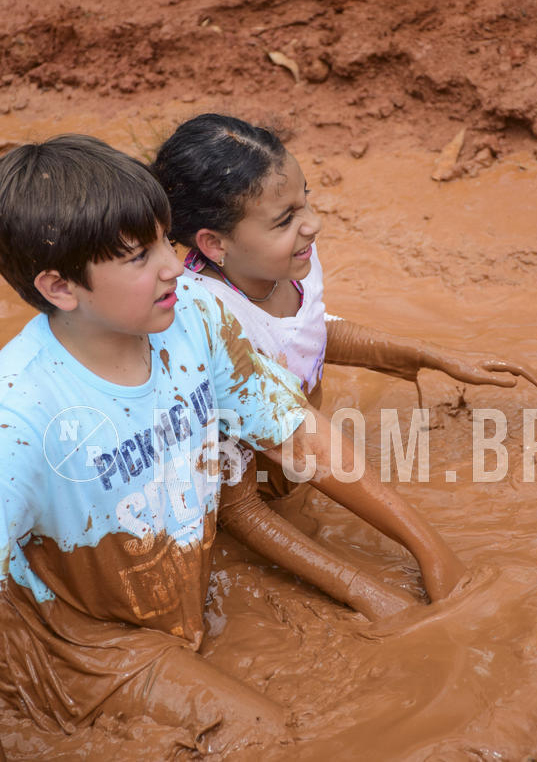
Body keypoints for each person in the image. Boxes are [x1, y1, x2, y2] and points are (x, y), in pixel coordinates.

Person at [0, 135, 465, 755]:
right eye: (139, 257)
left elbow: (294, 430)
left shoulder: (192, 316)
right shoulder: (21, 418)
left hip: (175, 591)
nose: (173, 263)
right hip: (86, 639)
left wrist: (429, 548)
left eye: (167, 238)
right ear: (60, 288)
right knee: (261, 735)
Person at [150, 112, 537, 500]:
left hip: (303, 463)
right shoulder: (202, 317)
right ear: (215, 244)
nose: (313, 223)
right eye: (285, 218)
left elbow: (303, 334)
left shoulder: (289, 258)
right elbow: (241, 504)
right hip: (256, 486)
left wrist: (436, 357)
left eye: (305, 199)